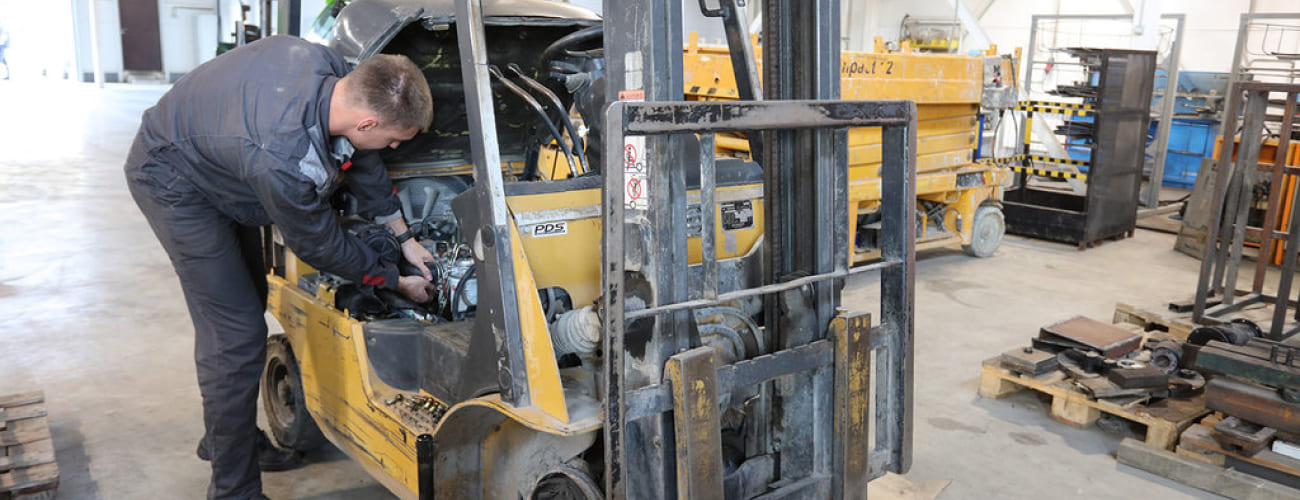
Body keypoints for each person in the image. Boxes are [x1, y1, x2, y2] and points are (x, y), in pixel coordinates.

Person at [124, 35, 437, 500]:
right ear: (367, 121)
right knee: (235, 336)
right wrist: (393, 280)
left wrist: (405, 238)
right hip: (173, 180)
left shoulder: (334, 70)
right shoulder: (282, 159)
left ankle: (225, 439)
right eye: (393, 138)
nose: (392, 146)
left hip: (223, 154)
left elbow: (363, 156)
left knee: (249, 299)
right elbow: (322, 245)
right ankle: (233, 489)